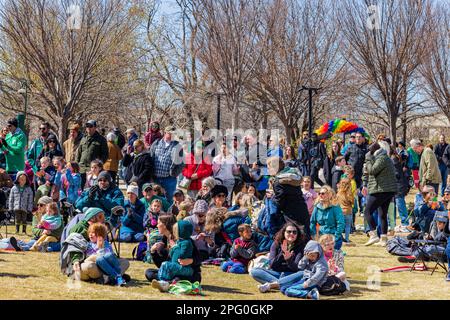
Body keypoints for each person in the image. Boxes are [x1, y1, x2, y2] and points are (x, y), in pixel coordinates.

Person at [62, 207, 130, 283]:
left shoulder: (99, 227)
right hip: (82, 262)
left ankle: (111, 276)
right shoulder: (79, 229)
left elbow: (108, 229)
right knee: (90, 266)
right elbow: (73, 247)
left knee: (125, 262)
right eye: (100, 217)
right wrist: (76, 261)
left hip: (102, 260)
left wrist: (114, 216)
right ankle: (112, 276)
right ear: (92, 219)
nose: (103, 219)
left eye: (103, 217)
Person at [252, 222, 307, 293]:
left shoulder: (301, 247)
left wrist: (288, 259)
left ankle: (273, 285)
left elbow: (296, 268)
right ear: (284, 233)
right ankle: (283, 284)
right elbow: (271, 264)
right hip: (276, 273)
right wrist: (282, 253)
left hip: (290, 275)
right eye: (289, 232)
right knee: (254, 271)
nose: (291, 234)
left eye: (294, 232)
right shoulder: (276, 244)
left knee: (303, 273)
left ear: (297, 234)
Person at [362, 141, 398, 247]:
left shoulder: (382, 158)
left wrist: (368, 158)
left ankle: (373, 235)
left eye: (371, 150)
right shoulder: (382, 157)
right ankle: (383, 238)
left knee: (367, 211)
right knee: (382, 214)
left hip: (381, 190)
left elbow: (372, 170)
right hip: (386, 190)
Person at [151, 220, 194, 292]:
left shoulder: (186, 242)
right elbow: (172, 255)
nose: (174, 231)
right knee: (160, 267)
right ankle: (165, 282)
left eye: (176, 230)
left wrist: (174, 247)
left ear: (181, 231)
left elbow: (182, 255)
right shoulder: (179, 241)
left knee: (165, 264)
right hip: (176, 266)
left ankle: (164, 282)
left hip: (185, 269)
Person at [149, 126, 184, 203]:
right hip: (156, 178)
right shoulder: (156, 143)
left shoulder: (177, 146)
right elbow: (150, 158)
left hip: (169, 179)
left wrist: (174, 174)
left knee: (169, 200)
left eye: (174, 134)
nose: (172, 135)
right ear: (165, 133)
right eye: (170, 133)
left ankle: (169, 214)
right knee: (155, 200)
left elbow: (181, 163)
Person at [310, 185, 345, 250]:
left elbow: (341, 223)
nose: (320, 195)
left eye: (323, 193)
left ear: (329, 194)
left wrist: (336, 237)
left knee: (333, 258)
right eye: (319, 193)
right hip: (322, 238)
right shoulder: (317, 207)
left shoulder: (335, 207)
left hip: (333, 238)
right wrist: (314, 236)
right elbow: (312, 222)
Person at [76, 120, 109, 188]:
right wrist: (77, 165)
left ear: (95, 127)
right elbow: (79, 153)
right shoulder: (83, 138)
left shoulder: (101, 139)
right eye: (87, 126)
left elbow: (105, 155)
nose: (88, 128)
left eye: (90, 126)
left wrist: (98, 166)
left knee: (92, 188)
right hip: (81, 168)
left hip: (93, 169)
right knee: (81, 188)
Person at [391, 146, 411, 232]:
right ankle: (393, 224)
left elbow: (396, 174)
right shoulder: (394, 158)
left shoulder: (393, 159)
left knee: (400, 205)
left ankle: (405, 223)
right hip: (396, 185)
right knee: (394, 205)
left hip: (398, 186)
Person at [336, 178, 355, 245]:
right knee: (348, 226)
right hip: (348, 212)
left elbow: (336, 202)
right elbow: (353, 202)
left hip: (341, 212)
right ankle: (346, 239)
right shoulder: (350, 194)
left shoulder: (338, 193)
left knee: (340, 226)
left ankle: (340, 238)